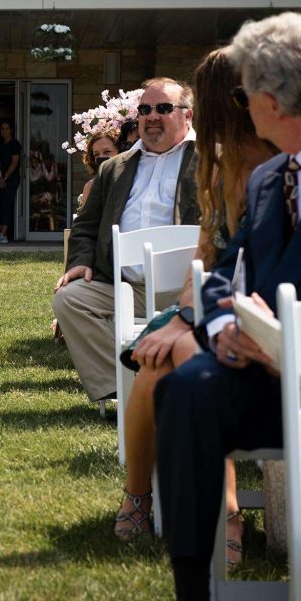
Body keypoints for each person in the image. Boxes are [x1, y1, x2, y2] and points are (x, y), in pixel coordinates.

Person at [154, 12, 301, 601]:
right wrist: (226, 326)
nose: (239, 108)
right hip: (263, 370)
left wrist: (300, 344)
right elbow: (226, 274)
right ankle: (194, 586)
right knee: (187, 389)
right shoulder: (268, 179)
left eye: (243, 94)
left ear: (275, 101)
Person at [113, 50, 277, 571]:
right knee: (159, 356)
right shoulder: (218, 168)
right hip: (206, 305)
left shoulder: (282, 166)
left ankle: (194, 506)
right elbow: (204, 260)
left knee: (168, 359)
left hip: (258, 311)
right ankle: (156, 499)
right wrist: (188, 312)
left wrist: (196, 321)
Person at [53, 77, 200, 403]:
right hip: (125, 288)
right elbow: (85, 226)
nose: (152, 116)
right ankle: (125, 390)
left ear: (187, 116)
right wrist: (80, 261)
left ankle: (160, 390)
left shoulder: (211, 162)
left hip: (189, 289)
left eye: (163, 108)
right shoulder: (114, 169)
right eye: (145, 110)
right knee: (70, 299)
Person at [0, 120, 21, 244]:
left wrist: (5, 178)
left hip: (11, 180)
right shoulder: (1, 146)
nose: (5, 131)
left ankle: (3, 234)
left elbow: (14, 162)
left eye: (7, 128)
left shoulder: (15, 144)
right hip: (0, 180)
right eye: (2, 128)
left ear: (11, 130)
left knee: (7, 205)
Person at [77, 129, 119, 210]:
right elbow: (87, 217)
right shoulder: (91, 186)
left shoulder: (133, 179)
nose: (101, 157)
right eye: (96, 154)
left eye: (107, 152)